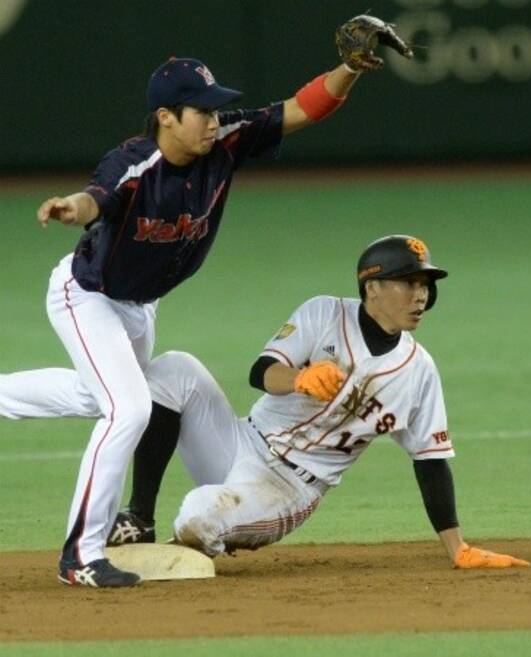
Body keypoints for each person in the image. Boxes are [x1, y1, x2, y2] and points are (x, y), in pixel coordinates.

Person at [0, 16, 415, 587]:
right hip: (87, 295)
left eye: (216, 109)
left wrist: (349, 70)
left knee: (103, 395)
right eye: (202, 111)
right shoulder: (134, 162)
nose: (213, 120)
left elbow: (298, 109)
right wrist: (73, 208)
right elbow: (96, 197)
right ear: (166, 117)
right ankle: (81, 554)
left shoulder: (224, 141)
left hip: (138, 306)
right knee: (130, 409)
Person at [108, 235, 531, 570]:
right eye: (410, 283)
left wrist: (458, 548)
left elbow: (431, 461)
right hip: (239, 441)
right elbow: (261, 372)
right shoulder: (324, 313)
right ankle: (139, 517)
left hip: (288, 487)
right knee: (173, 369)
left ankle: (208, 533)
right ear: (373, 286)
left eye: (425, 286)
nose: (421, 295)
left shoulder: (419, 372)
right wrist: (300, 378)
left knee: (197, 517)